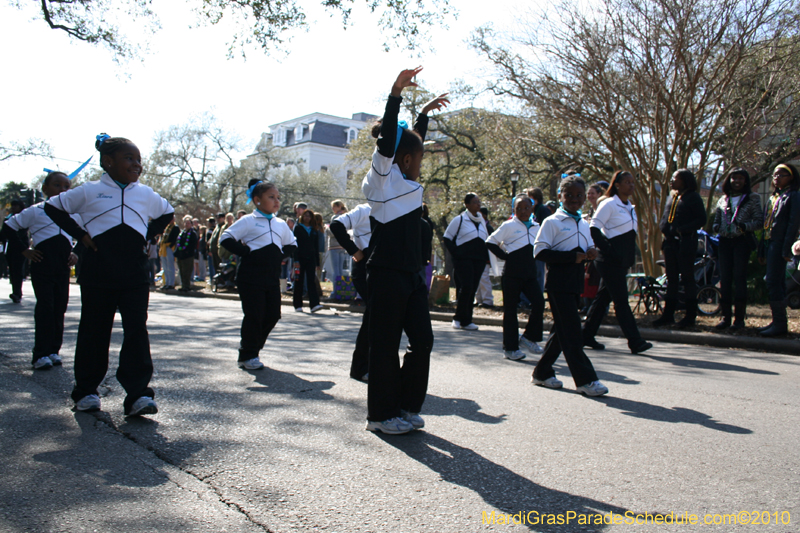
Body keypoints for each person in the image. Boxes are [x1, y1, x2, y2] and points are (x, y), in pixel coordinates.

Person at [44, 133, 174, 416]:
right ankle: (87, 391)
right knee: (94, 329)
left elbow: (167, 213)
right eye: (129, 158)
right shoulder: (89, 191)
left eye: (139, 160)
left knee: (136, 330)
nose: (137, 164)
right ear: (108, 162)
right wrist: (80, 235)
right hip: (98, 271)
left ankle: (138, 394)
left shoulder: (145, 193)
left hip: (135, 273)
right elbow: (53, 207)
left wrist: (148, 235)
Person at [361, 66, 448, 434]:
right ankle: (380, 416)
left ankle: (407, 405)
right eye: (420, 157)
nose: (422, 161)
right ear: (407, 160)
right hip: (385, 273)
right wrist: (396, 92)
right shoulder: (381, 179)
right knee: (384, 346)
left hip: (411, 274)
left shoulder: (406, 177)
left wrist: (424, 115)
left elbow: (411, 141)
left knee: (422, 341)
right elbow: (390, 146)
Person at [531, 173, 608, 397]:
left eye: (579, 195)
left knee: (562, 331)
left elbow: (588, 248)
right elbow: (540, 252)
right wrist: (571, 257)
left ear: (585, 197)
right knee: (573, 332)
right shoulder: (552, 221)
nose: (574, 199)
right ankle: (586, 380)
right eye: (569, 195)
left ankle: (542, 372)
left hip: (576, 283)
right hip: (558, 282)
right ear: (560, 196)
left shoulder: (584, 223)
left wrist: (592, 253)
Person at [0, 172, 80, 369]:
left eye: (66, 186)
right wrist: (24, 251)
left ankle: (54, 350)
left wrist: (76, 253)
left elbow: (86, 235)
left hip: (62, 265)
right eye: (56, 185)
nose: (62, 190)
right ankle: (40, 354)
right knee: (46, 307)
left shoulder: (74, 213)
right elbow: (8, 228)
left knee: (60, 307)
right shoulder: (36, 211)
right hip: (43, 263)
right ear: (45, 189)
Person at [220, 179, 297, 370]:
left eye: (278, 197)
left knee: (273, 315)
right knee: (254, 315)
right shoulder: (248, 220)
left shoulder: (280, 224)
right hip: (250, 276)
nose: (276, 201)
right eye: (271, 197)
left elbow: (292, 244)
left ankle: (252, 348)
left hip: (273, 277)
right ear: (257, 200)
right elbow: (225, 238)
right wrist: (245, 252)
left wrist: (279, 254)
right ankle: (248, 355)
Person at [582, 171, 653, 354]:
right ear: (617, 185)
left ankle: (586, 335)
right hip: (608, 261)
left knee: (603, 298)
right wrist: (608, 250)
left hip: (621, 261)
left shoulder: (629, 206)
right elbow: (594, 228)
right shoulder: (609, 203)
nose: (631, 185)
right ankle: (635, 341)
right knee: (621, 301)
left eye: (633, 182)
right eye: (627, 182)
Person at [485, 195, 545, 361]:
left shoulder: (537, 227)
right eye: (519, 208)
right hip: (512, 274)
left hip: (530, 274)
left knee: (539, 303)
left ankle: (529, 338)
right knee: (511, 311)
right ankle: (510, 348)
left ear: (532, 209)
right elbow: (490, 242)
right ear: (514, 210)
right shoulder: (509, 225)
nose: (523, 211)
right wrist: (505, 256)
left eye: (526, 208)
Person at [652, 169, 707, 328]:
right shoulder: (674, 196)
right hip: (670, 244)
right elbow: (665, 217)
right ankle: (668, 315)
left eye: (675, 178)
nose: (672, 181)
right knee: (671, 279)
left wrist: (682, 229)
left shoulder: (693, 197)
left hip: (685, 243)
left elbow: (701, 219)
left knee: (687, 278)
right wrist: (665, 228)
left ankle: (690, 316)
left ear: (684, 180)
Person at [711, 168, 763, 330]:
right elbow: (716, 220)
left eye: (741, 178)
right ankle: (725, 317)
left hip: (742, 242)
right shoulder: (723, 200)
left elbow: (759, 221)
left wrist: (744, 226)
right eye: (734, 178)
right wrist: (717, 226)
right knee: (724, 278)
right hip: (725, 242)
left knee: (739, 278)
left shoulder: (752, 198)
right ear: (729, 180)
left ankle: (739, 319)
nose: (737, 181)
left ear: (746, 181)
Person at [330, 203, 372, 381]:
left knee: (379, 318)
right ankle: (360, 369)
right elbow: (336, 225)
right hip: (365, 269)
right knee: (374, 316)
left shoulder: (396, 208)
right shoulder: (364, 210)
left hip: (386, 269)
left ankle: (369, 367)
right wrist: (354, 250)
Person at [758, 163, 800, 336]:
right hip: (769, 242)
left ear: (791, 177)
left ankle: (780, 323)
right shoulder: (774, 197)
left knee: (773, 281)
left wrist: (786, 249)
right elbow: (765, 224)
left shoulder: (793, 196)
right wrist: (761, 248)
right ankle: (777, 321)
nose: (777, 178)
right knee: (776, 282)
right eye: (775, 175)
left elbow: (793, 224)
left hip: (780, 243)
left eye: (781, 175)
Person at [443, 193, 490, 331]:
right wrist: (456, 253)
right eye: (475, 202)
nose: (478, 204)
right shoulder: (460, 219)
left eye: (479, 201)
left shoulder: (482, 220)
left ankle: (467, 320)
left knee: (472, 289)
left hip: (479, 259)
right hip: (463, 259)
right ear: (467, 204)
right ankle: (458, 318)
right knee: (467, 287)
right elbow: (447, 238)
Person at [293, 209, 323, 313]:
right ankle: (297, 305)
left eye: (309, 216)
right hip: (300, 258)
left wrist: (317, 263)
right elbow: (294, 245)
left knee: (311, 281)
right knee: (299, 281)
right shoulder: (297, 228)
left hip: (311, 259)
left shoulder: (314, 230)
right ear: (302, 217)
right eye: (305, 216)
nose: (307, 218)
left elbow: (316, 247)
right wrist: (295, 259)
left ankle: (314, 304)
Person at [4, 199, 27, 302]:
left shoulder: (24, 217)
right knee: (12, 270)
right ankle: (15, 290)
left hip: (21, 248)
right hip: (10, 247)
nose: (13, 208)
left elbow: (22, 232)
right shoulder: (8, 218)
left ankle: (17, 292)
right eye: (12, 206)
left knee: (18, 270)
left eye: (16, 206)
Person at [474, 206, 495, 308]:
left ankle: (488, 300)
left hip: (485, 258)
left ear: (485, 215)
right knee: (477, 279)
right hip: (476, 257)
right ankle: (478, 299)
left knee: (484, 278)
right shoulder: (477, 226)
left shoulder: (488, 228)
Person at [174, 215, 198, 292]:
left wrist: (187, 251)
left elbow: (193, 245)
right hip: (180, 255)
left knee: (187, 271)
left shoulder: (192, 233)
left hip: (188, 255)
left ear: (191, 224)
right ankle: (183, 285)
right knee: (181, 271)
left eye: (188, 223)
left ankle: (187, 286)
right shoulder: (182, 233)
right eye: (185, 223)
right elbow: (178, 243)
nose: (187, 224)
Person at [327, 200, 349, 282]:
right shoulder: (346, 216)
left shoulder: (335, 217)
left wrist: (327, 229)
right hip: (343, 246)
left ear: (339, 206)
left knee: (335, 270)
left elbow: (332, 232)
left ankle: (335, 291)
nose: (332, 208)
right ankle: (340, 290)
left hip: (334, 246)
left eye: (334, 206)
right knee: (340, 270)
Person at [160, 217, 178, 290]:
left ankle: (171, 283)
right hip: (164, 248)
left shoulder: (175, 227)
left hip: (170, 247)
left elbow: (175, 238)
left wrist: (170, 246)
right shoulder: (167, 227)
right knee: (165, 266)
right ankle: (166, 282)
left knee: (170, 266)